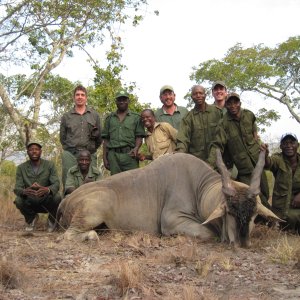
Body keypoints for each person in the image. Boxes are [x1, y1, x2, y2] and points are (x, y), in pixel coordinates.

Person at [207, 92, 270, 207]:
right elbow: (217, 145)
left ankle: (262, 218)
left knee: (265, 191)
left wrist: (261, 145)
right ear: (226, 106)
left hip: (257, 162)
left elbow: (255, 134)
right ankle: (270, 218)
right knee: (255, 196)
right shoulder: (223, 124)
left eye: (235, 102)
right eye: (229, 103)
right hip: (243, 167)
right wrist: (209, 165)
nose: (233, 106)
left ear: (239, 103)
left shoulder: (249, 115)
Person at [13, 141, 61, 232]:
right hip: (30, 200)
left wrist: (47, 189)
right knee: (18, 200)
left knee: (57, 197)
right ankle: (31, 219)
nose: (34, 151)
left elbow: (56, 184)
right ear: (27, 152)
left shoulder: (49, 165)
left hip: (45, 200)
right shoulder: (21, 168)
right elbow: (17, 188)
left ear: (40, 151)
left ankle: (51, 220)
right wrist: (24, 191)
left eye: (36, 149)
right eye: (31, 150)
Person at [60, 85, 102, 188]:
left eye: (82, 95)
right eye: (77, 95)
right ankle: (67, 203)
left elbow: (99, 137)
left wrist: (91, 149)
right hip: (71, 154)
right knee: (68, 182)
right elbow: (62, 137)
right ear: (74, 97)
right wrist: (70, 148)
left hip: (89, 154)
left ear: (86, 98)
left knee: (92, 185)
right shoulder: (66, 116)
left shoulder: (94, 115)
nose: (80, 97)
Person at [262, 133, 300, 232]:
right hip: (283, 208)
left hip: (297, 204)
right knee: (288, 219)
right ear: (281, 147)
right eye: (285, 143)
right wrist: (265, 155)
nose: (289, 146)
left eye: (292, 143)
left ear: (297, 145)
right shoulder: (278, 159)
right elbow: (269, 163)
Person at [102, 90, 146, 175]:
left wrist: (136, 148)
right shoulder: (110, 118)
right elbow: (106, 140)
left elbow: (139, 137)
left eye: (124, 99)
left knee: (133, 181)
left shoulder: (136, 117)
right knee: (115, 183)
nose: (122, 102)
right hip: (113, 156)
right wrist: (104, 157)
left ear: (128, 101)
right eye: (119, 100)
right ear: (116, 102)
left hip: (130, 156)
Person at [176, 85, 222, 162]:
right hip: (197, 162)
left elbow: (223, 136)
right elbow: (183, 140)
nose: (198, 96)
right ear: (191, 97)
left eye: (201, 93)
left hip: (217, 159)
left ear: (205, 95)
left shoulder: (217, 112)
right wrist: (180, 155)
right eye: (195, 94)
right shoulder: (188, 118)